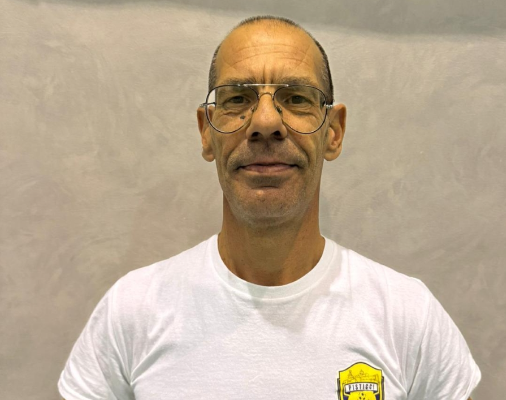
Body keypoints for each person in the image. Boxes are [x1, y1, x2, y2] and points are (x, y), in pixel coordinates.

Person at [58, 15, 481, 400]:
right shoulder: (132, 311)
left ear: (333, 132)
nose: (265, 122)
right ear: (206, 132)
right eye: (236, 99)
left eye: (296, 98)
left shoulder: (408, 316)